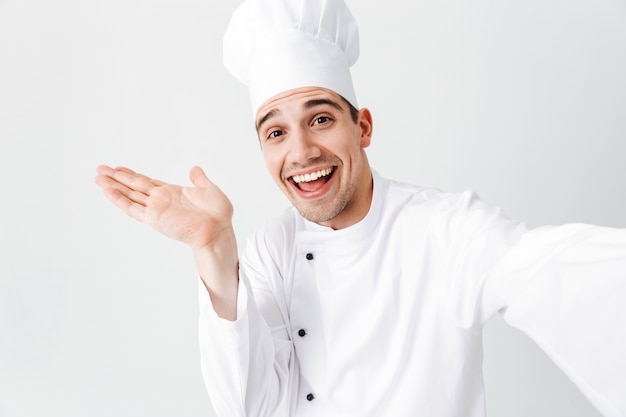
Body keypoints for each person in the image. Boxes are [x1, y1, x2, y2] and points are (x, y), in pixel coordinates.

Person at [95, 0, 626, 416]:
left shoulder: (444, 228)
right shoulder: (273, 249)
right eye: (276, 132)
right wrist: (212, 247)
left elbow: (541, 268)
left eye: (321, 119)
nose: (301, 152)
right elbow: (250, 407)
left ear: (363, 126)